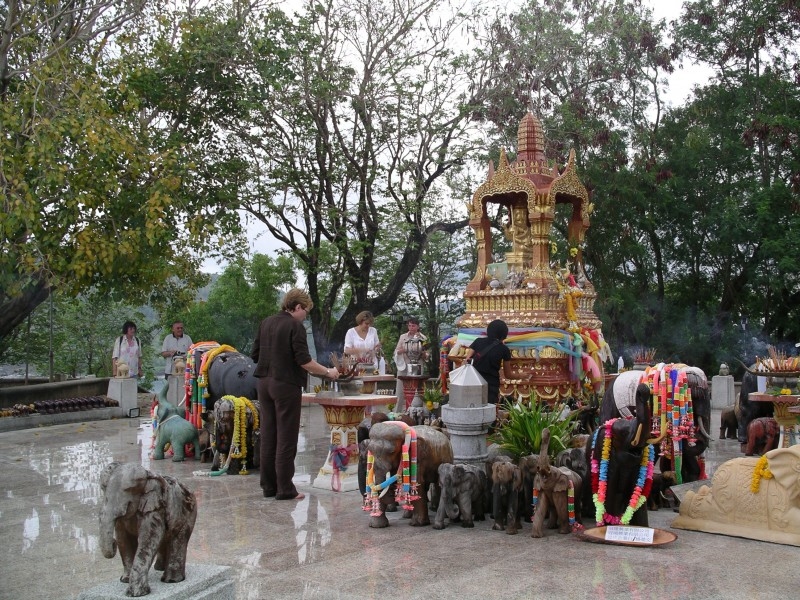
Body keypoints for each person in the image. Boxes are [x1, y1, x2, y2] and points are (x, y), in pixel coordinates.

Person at [251, 288, 340, 500]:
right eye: (306, 311)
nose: (305, 316)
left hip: (263, 383)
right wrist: (329, 372)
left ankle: (268, 486)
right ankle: (285, 489)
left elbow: (255, 354)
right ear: (297, 307)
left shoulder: (266, 323)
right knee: (286, 437)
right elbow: (304, 361)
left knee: (269, 435)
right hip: (285, 384)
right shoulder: (294, 326)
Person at [464, 319, 513, 404]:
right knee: (488, 410)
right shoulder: (504, 349)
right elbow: (508, 374)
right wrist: (522, 376)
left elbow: (467, 361)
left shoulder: (478, 341)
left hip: (473, 382)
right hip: (491, 386)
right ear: (504, 333)